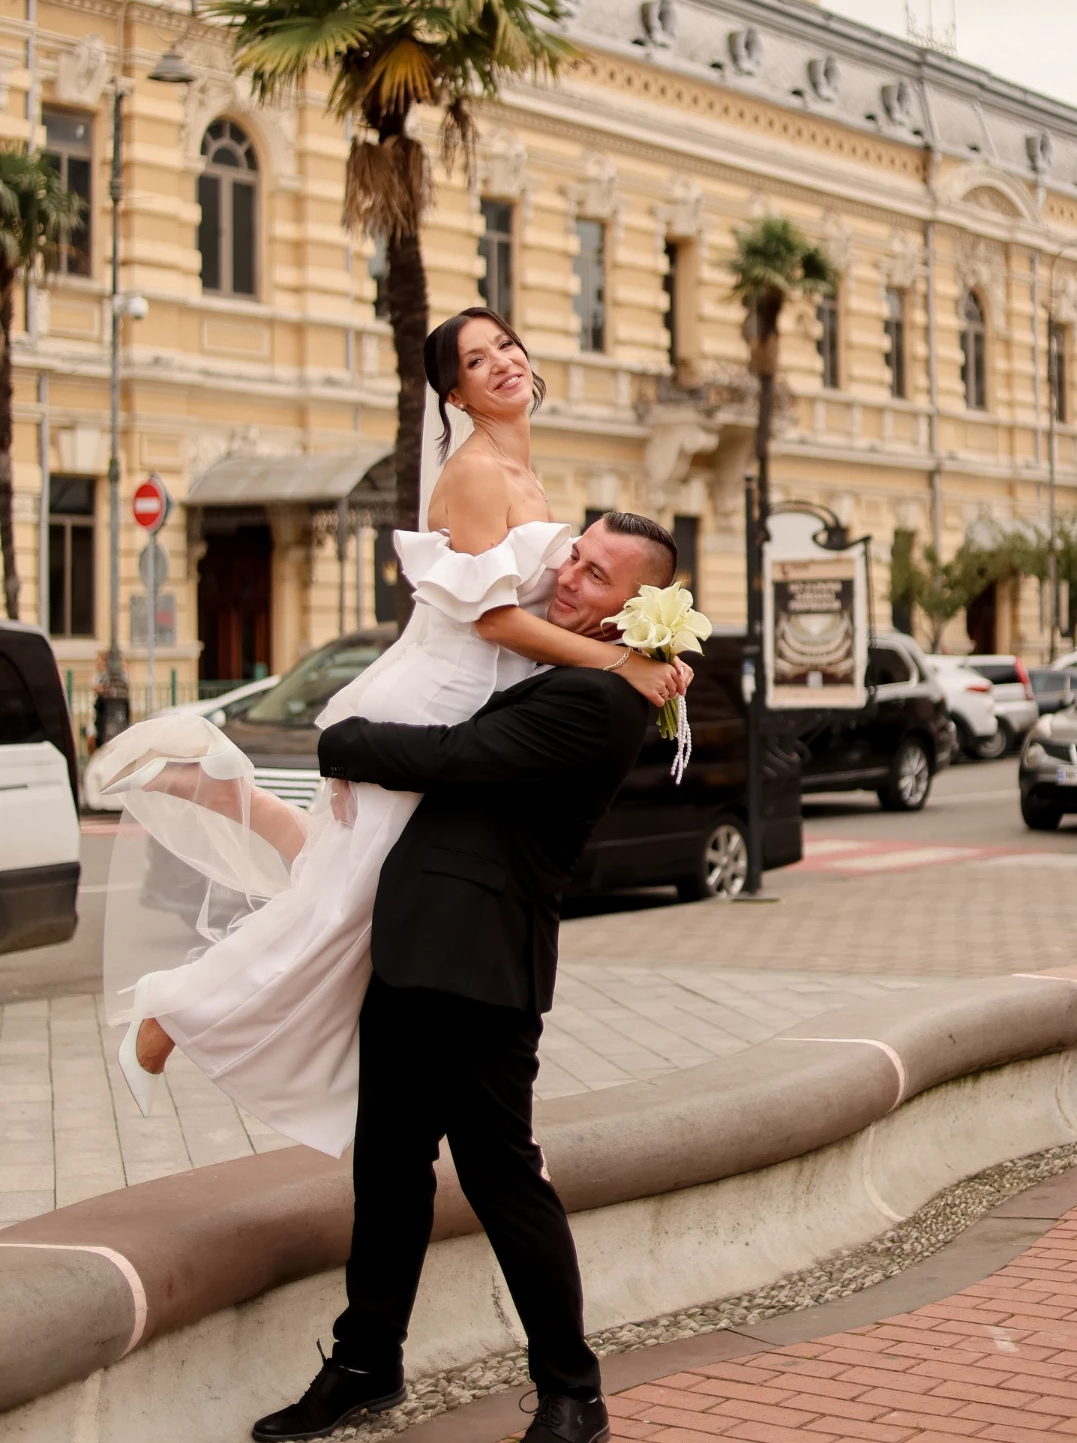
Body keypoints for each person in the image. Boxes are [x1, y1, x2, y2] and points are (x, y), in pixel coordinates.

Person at [102, 308, 687, 1167]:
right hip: (441, 693)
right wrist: (615, 670)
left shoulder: (525, 469)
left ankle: (223, 790)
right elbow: (493, 622)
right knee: (345, 903)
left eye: (507, 347)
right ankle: (170, 1013)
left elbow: (542, 606)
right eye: (476, 360)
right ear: (453, 391)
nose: (501, 364)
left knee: (351, 877)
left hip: (476, 693)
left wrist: (643, 643)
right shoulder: (480, 470)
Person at [251, 499, 683, 1443]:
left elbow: (453, 758)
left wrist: (341, 739)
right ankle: (366, 1364)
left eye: (596, 576)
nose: (568, 576)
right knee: (390, 1171)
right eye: (576, 556)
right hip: (416, 952)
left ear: (633, 609)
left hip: (480, 971)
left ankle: (575, 1395)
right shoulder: (578, 666)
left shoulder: (600, 702)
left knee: (503, 1182)